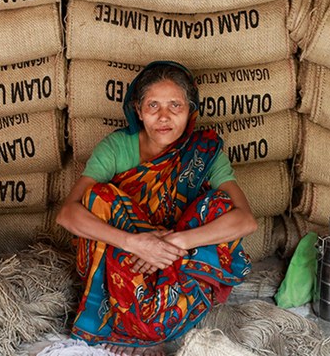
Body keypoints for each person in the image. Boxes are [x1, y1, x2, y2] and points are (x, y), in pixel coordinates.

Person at [56, 61, 258, 355]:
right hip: (126, 258)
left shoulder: (203, 154)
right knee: (96, 198)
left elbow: (245, 220)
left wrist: (173, 243)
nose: (164, 117)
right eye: (153, 106)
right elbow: (68, 213)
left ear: (190, 110)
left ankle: (155, 325)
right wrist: (136, 243)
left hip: (179, 258)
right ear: (138, 110)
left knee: (220, 206)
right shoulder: (116, 148)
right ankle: (122, 320)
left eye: (175, 105)